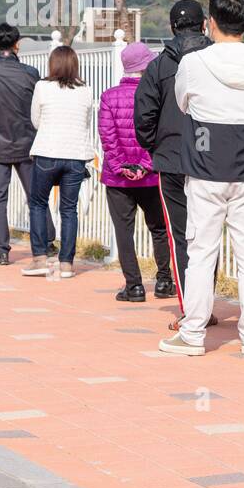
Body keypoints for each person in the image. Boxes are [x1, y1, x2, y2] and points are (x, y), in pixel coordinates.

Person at [158, 0, 244, 356]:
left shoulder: (193, 64)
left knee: (201, 250)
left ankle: (193, 334)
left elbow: (183, 102)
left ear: (210, 23)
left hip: (205, 168)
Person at [135, 0, 210, 322]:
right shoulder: (215, 61)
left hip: (172, 159)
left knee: (181, 235)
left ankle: (190, 309)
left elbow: (144, 116)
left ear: (171, 27)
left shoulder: (158, 67)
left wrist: (155, 147)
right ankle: (203, 307)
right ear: (204, 25)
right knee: (206, 235)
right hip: (211, 158)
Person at [99, 42, 174, 302]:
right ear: (145, 67)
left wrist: (122, 166)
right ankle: (164, 281)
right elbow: (156, 134)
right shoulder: (157, 95)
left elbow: (107, 137)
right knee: (159, 228)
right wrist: (144, 164)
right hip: (151, 176)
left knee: (124, 230)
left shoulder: (109, 96)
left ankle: (134, 286)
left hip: (118, 178)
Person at [0, 23, 52, 265]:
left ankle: (0, 249)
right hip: (28, 142)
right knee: (36, 196)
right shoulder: (30, 74)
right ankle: (47, 242)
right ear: (17, 44)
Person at [23, 45, 95, 278]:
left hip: (47, 151)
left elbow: (35, 120)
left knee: (38, 204)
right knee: (69, 209)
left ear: (52, 64)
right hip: (75, 155)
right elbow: (86, 122)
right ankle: (66, 264)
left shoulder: (42, 86)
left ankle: (40, 258)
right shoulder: (85, 89)